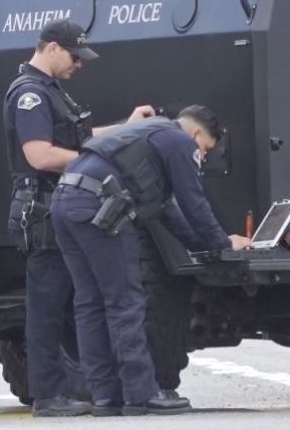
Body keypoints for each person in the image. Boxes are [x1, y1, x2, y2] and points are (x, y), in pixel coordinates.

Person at [51, 106, 252, 416]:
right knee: (125, 302)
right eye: (206, 149)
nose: (204, 155)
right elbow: (193, 202)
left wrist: (207, 247)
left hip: (65, 201)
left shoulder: (147, 134)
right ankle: (140, 395)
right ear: (196, 133)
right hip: (100, 208)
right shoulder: (179, 141)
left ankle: (104, 397)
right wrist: (224, 243)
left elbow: (168, 212)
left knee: (89, 303)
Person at [2, 18, 154, 417]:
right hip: (42, 209)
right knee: (47, 307)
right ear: (52, 48)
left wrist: (126, 129)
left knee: (71, 302)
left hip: (58, 206)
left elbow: (77, 138)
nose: (79, 64)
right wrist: (97, 161)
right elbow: (40, 155)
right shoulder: (30, 95)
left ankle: (67, 389)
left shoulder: (52, 92)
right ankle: (47, 395)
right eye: (74, 55)